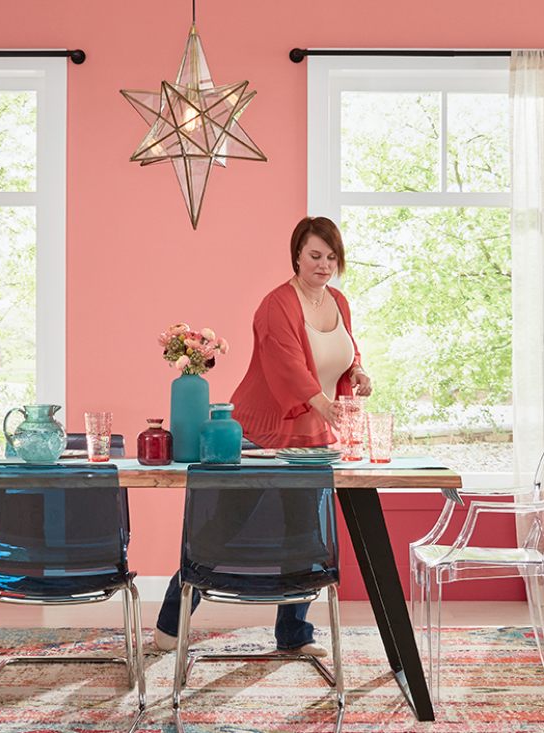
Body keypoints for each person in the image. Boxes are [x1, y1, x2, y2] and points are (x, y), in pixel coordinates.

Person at [153, 215, 372, 657]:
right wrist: (324, 404)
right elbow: (287, 365)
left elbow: (345, 352)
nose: (323, 265)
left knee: (305, 535)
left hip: (312, 437)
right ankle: (168, 630)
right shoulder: (277, 305)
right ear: (296, 255)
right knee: (218, 530)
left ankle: (293, 635)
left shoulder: (339, 302)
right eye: (315, 255)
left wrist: (359, 371)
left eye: (331, 257)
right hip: (260, 433)